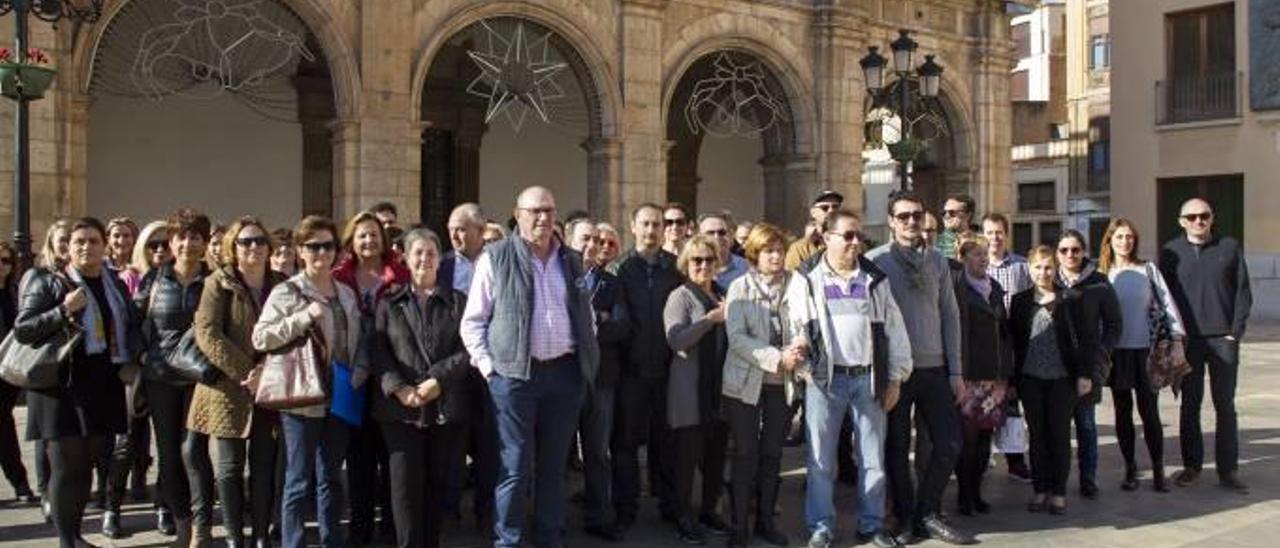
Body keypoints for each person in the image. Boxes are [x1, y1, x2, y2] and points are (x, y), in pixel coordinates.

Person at [460, 186, 598, 548]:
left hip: (565, 375)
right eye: (534, 211)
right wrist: (491, 370)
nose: (542, 218)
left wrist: (585, 360)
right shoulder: (496, 257)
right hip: (516, 377)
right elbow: (473, 322)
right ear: (517, 214)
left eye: (549, 211)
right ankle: (508, 540)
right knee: (515, 467)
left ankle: (549, 537)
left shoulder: (571, 259)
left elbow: (584, 316)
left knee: (554, 467)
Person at [17, 217, 140, 548]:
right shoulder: (49, 282)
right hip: (61, 384)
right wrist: (61, 311)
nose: (87, 247)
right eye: (79, 242)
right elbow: (24, 329)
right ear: (67, 249)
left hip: (102, 380)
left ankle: (76, 535)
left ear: (105, 246)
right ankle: (66, 540)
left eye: (94, 241)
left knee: (87, 464)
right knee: (65, 467)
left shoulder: (113, 283)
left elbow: (130, 324)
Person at [795, 210, 912, 548]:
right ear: (827, 237)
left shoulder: (875, 278)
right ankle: (821, 526)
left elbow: (895, 329)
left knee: (873, 459)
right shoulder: (807, 278)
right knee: (820, 460)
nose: (855, 242)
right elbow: (796, 326)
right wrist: (805, 373)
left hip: (868, 381)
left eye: (858, 236)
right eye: (847, 236)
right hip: (825, 383)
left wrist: (895, 379)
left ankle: (871, 525)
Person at [865, 193, 972, 545]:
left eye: (917, 215)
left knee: (949, 444)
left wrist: (956, 371)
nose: (912, 221)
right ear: (892, 221)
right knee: (896, 448)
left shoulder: (938, 262)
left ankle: (927, 511)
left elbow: (950, 316)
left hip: (934, 368)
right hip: (895, 372)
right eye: (904, 216)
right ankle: (907, 517)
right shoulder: (874, 262)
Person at [253, 215, 361, 548]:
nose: (321, 253)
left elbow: (357, 340)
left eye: (328, 246)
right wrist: (302, 318)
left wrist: (359, 374)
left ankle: (332, 540)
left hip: (341, 392)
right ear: (300, 250)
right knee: (298, 480)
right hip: (304, 396)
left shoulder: (345, 292)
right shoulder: (288, 291)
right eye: (313, 246)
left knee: (331, 477)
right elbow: (261, 338)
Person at [183, 217, 285, 548]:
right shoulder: (218, 282)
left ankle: (259, 534)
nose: (253, 247)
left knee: (264, 465)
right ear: (233, 248)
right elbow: (207, 333)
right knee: (228, 469)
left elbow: (293, 333)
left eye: (259, 240)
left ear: (269, 247)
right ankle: (232, 537)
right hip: (225, 389)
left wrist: (265, 371)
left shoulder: (282, 284)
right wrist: (246, 372)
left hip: (269, 388)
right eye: (245, 242)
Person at [371, 227, 470, 548]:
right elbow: (377, 350)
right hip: (400, 409)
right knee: (404, 488)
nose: (424, 258)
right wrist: (399, 388)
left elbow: (467, 350)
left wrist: (437, 380)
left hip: (443, 405)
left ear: (439, 260)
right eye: (418, 252)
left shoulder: (457, 302)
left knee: (436, 484)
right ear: (406, 258)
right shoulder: (388, 301)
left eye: (430, 253)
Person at [1159, 198, 1252, 493]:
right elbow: (1165, 299)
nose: (1199, 221)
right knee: (1190, 405)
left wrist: (1234, 333)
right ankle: (1192, 466)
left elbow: (1243, 292)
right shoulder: (1171, 252)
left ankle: (1228, 471)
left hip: (1222, 340)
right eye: (1192, 217)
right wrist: (1174, 338)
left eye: (1204, 216)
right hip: (1188, 342)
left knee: (1225, 406)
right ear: (1181, 221)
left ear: (1212, 218)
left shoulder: (1229, 247)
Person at [723, 223, 803, 548]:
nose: (776, 256)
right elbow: (737, 338)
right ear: (755, 254)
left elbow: (803, 322)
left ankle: (766, 521)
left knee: (772, 455)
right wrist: (775, 357)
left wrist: (799, 347)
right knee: (744, 454)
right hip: (745, 382)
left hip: (781, 386)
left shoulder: (797, 285)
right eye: (769, 250)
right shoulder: (740, 287)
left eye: (780, 250)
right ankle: (739, 524)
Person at [137, 209, 212, 546]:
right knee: (168, 454)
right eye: (182, 237)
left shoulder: (214, 281)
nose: (187, 244)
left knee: (193, 452)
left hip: (200, 379)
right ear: (172, 241)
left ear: (205, 242)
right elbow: (132, 322)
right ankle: (182, 522)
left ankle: (201, 526)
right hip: (160, 379)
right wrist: (139, 355)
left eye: (195, 236)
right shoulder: (154, 280)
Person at [334, 211, 408, 544]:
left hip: (391, 373)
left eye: (374, 234)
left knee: (391, 454)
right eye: (362, 235)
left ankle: (392, 523)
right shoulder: (339, 276)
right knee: (358, 454)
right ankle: (360, 525)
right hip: (352, 376)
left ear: (384, 238)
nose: (369, 240)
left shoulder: (400, 274)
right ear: (351, 240)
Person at [610, 203, 684, 530]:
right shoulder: (620, 268)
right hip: (631, 371)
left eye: (657, 224)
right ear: (633, 226)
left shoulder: (674, 267)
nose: (652, 230)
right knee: (625, 443)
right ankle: (625, 507)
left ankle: (668, 504)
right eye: (646, 224)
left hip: (668, 370)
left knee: (666, 442)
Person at [1099, 218, 1185, 493]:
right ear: (1110, 240)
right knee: (1123, 412)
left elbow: (1166, 303)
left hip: (1146, 351)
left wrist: (1177, 337)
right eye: (1119, 237)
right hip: (1116, 352)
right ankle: (1130, 469)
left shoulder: (1148, 269)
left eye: (1129, 237)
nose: (1125, 242)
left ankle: (1158, 469)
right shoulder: (1103, 273)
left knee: (1149, 412)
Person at [1010, 245, 1096, 515]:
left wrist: (1085, 374)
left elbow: (1087, 339)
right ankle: (1040, 489)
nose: (1043, 272)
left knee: (1058, 435)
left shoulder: (1072, 298)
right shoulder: (1020, 301)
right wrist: (1012, 380)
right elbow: (1013, 342)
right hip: (1030, 378)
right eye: (1037, 267)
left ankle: (1058, 492)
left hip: (1062, 379)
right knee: (1036, 436)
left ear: (1055, 268)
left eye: (1047, 267)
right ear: (1029, 269)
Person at [663, 235, 731, 545]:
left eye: (709, 260)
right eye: (696, 260)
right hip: (688, 392)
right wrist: (710, 320)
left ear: (718, 263)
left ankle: (708, 510)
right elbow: (676, 340)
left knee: (716, 457)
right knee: (686, 460)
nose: (703, 265)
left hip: (719, 390)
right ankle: (682, 515)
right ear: (685, 264)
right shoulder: (680, 297)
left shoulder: (724, 294)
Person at [566, 218, 630, 542]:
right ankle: (555, 517)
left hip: (601, 380)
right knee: (557, 454)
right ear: (568, 240)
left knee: (597, 453)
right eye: (584, 239)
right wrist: (595, 321)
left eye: (596, 239)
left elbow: (620, 326)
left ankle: (599, 516)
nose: (591, 245)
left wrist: (587, 329)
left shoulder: (611, 283)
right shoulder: (557, 278)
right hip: (563, 378)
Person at [440, 202, 497, 533]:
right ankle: (449, 510)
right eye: (451, 229)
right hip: (455, 365)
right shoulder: (443, 266)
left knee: (489, 442)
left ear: (480, 230)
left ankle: (486, 512)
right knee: (453, 441)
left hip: (491, 365)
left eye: (462, 228)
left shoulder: (498, 263)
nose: (455, 235)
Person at [951, 234, 1015, 516]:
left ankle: (977, 492)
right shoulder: (958, 289)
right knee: (968, 440)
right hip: (970, 377)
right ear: (964, 259)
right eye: (977, 254)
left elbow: (1005, 332)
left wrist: (1006, 374)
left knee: (985, 440)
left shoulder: (995, 288)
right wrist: (959, 374)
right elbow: (957, 333)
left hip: (995, 378)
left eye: (985, 254)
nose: (983, 259)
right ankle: (964, 495)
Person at [1055, 229, 1121, 500]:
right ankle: (1054, 480)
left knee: (1086, 424)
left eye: (1075, 249)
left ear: (1084, 251)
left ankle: (1088, 478)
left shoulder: (1099, 282)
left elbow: (1114, 324)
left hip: (1087, 365)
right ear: (1057, 253)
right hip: (1056, 366)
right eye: (1064, 250)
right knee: (1057, 428)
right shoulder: (1048, 279)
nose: (1070, 255)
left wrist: (1102, 354)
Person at [980, 213, 1032, 481]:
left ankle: (1015, 461)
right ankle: (983, 455)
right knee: (987, 402)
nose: (994, 238)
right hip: (988, 347)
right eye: (989, 232)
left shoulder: (1022, 267)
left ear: (1006, 234)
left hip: (1017, 342)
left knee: (1012, 404)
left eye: (999, 232)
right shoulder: (977, 266)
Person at [0, 241, 39, 505]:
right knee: (3, 425)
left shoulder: (14, 293)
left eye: (6, 261)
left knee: (3, 422)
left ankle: (20, 482)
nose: (1, 266)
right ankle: (20, 482)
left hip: (9, 368)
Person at [785, 190, 843, 271]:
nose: (831, 211)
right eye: (825, 208)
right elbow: (794, 279)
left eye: (835, 207)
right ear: (813, 213)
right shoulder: (799, 249)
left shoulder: (852, 242)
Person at [698, 213, 749, 288]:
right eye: (710, 233)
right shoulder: (691, 269)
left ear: (731, 236)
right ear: (698, 237)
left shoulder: (747, 268)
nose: (717, 237)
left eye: (722, 232)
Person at [936, 194, 977, 259]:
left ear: (968, 215)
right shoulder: (935, 242)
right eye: (944, 212)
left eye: (952, 213)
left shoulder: (980, 243)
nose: (946, 216)